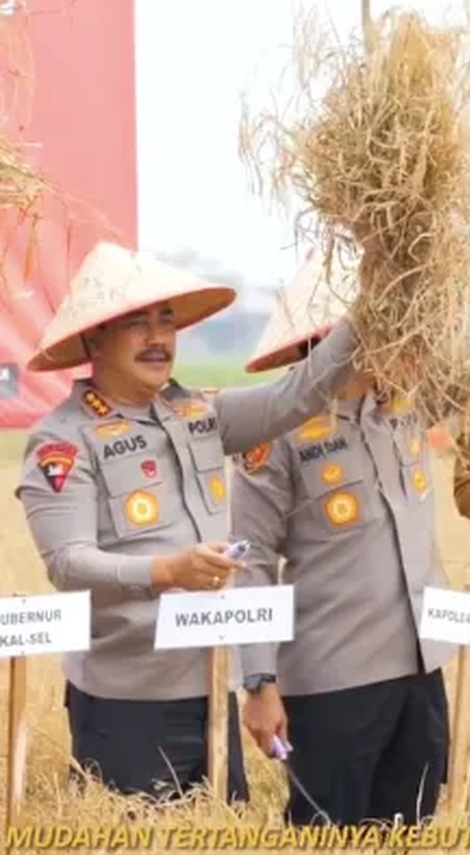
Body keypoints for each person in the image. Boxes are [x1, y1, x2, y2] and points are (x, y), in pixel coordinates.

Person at [16, 240, 360, 804]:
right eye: (136, 323)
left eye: (166, 321)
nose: (158, 338)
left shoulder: (199, 413)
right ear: (93, 340)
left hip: (209, 686)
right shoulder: (63, 439)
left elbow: (300, 394)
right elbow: (66, 563)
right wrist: (166, 571)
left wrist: (369, 304)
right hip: (126, 706)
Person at [230, 249, 456, 827]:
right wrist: (257, 682)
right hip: (333, 685)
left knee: (411, 829)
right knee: (327, 835)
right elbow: (249, 560)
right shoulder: (276, 429)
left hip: (420, 677)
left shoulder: (404, 408)